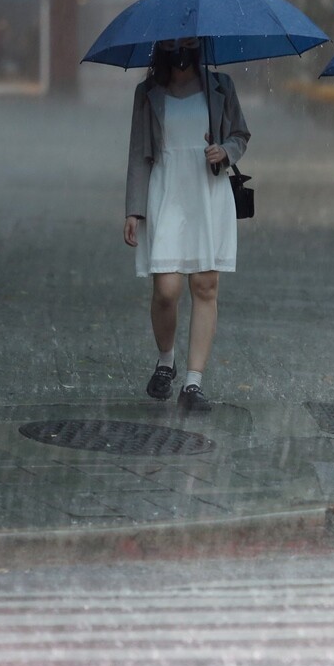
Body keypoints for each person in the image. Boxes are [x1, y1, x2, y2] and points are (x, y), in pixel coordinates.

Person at [123, 36, 250, 412]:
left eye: (189, 39)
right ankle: (166, 361)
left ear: (200, 43)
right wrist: (133, 209)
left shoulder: (220, 86)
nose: (181, 46)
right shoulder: (148, 92)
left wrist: (225, 150)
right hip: (165, 192)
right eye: (173, 40)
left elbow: (241, 135)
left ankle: (193, 383)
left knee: (205, 285)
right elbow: (137, 152)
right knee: (166, 288)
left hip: (207, 193)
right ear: (160, 45)